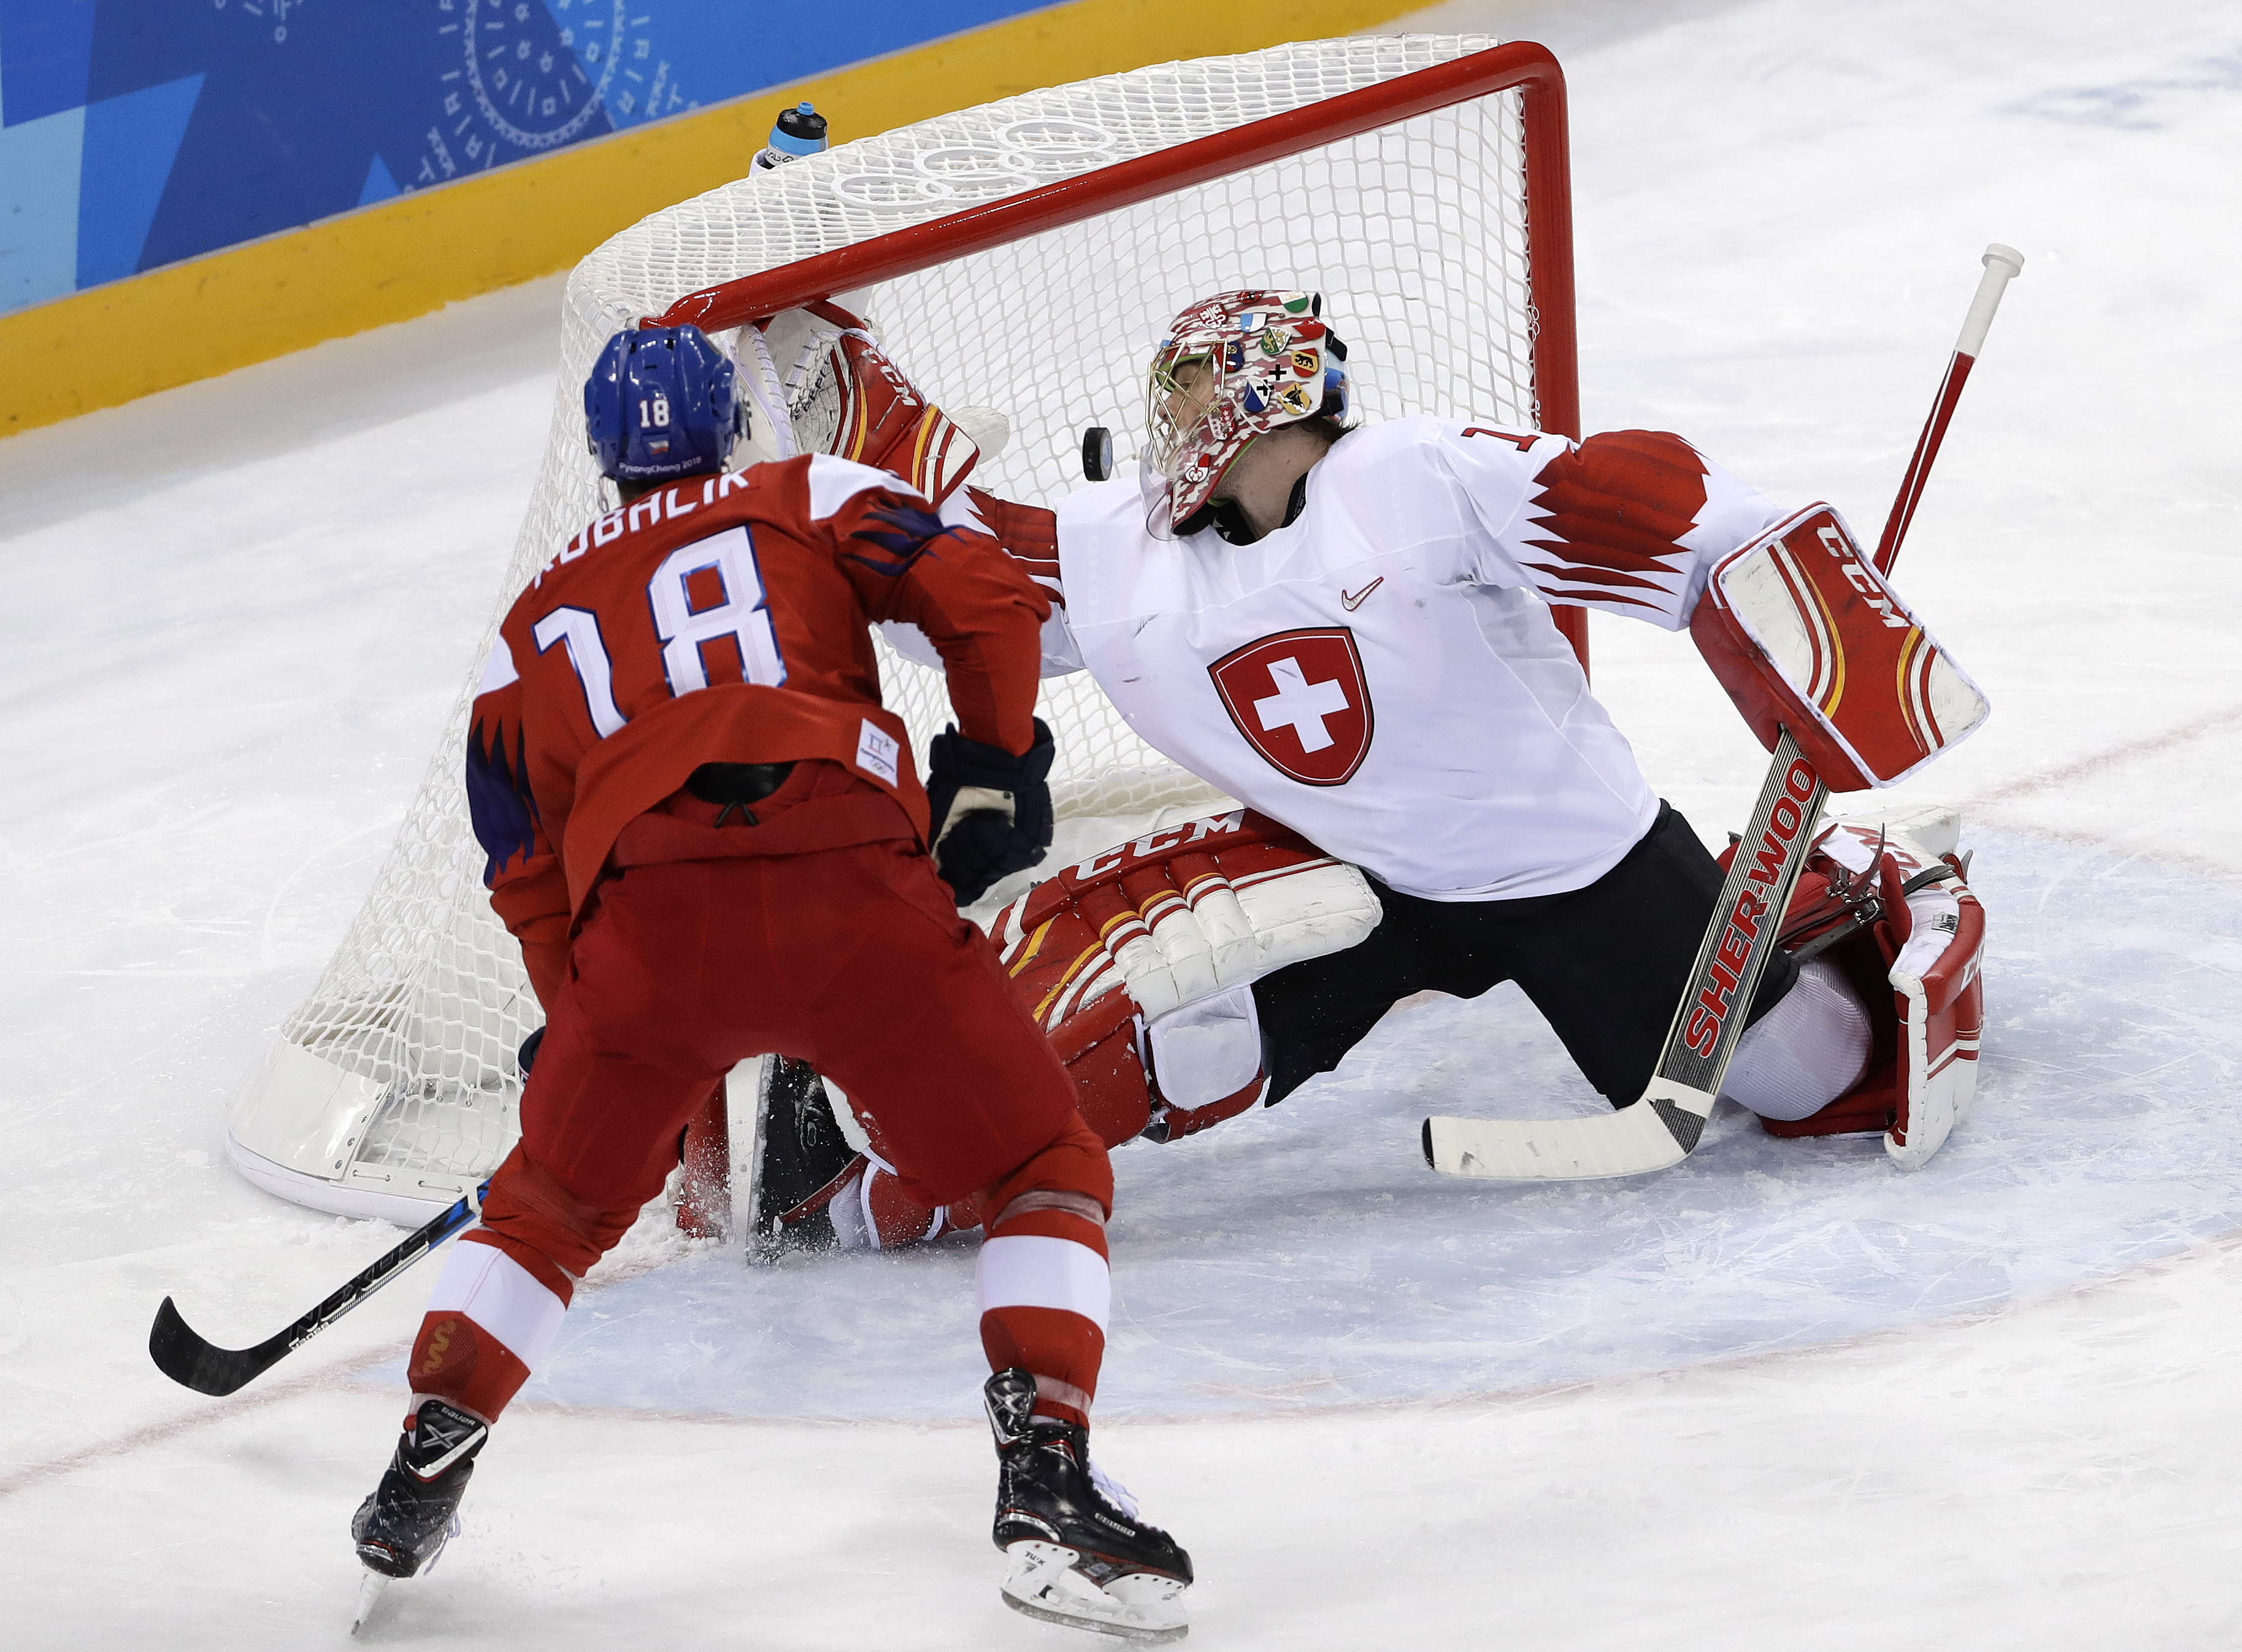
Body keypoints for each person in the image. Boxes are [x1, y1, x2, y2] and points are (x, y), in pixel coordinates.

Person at [758, 288, 1984, 1250]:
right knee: (1176, 1028)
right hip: (1357, 871)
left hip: (1574, 865)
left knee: (1811, 1082)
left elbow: (1633, 495)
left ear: (1259, 398)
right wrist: (841, 406)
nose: (1169, 425)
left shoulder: (1412, 477)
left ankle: (1846, 912)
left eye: (1188, 393)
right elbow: (968, 584)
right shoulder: (1126, 547)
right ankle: (881, 1157)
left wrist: (1802, 615)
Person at [347, 322, 1192, 1643]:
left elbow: (521, 862)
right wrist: (996, 757)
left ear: (604, 456)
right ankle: (1048, 1477)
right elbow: (984, 597)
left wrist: (578, 1009)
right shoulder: (805, 492)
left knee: (545, 1216)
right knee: (1041, 1166)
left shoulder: (527, 630)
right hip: (849, 884)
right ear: (727, 429)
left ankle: (421, 1462)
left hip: (647, 940)